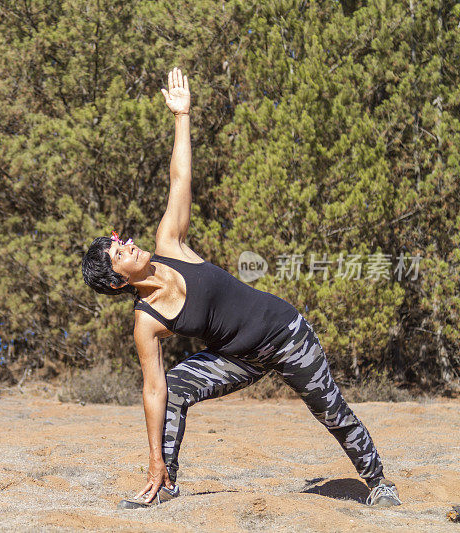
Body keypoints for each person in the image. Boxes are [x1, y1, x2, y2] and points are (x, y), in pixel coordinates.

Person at [81, 68, 401, 509]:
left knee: (330, 411)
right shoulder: (147, 323)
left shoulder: (170, 244)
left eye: (120, 242)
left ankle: (379, 482)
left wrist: (182, 116)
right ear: (119, 282)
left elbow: (179, 179)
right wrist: (153, 459)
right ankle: (166, 483)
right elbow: (153, 392)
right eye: (120, 253)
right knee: (174, 387)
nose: (128, 245)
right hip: (239, 358)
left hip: (284, 333)